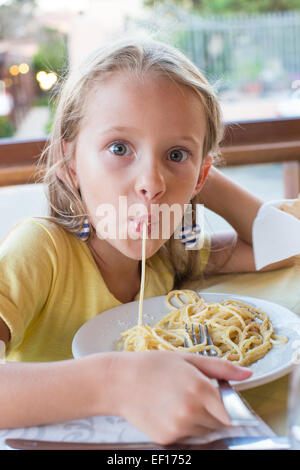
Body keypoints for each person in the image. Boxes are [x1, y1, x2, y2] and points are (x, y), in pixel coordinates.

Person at [0, 37, 293, 445]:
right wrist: (114, 382)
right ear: (70, 165)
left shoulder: (171, 254)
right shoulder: (41, 249)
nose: (151, 184)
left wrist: (196, 179)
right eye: (119, 148)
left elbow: (286, 243)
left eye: (175, 154)